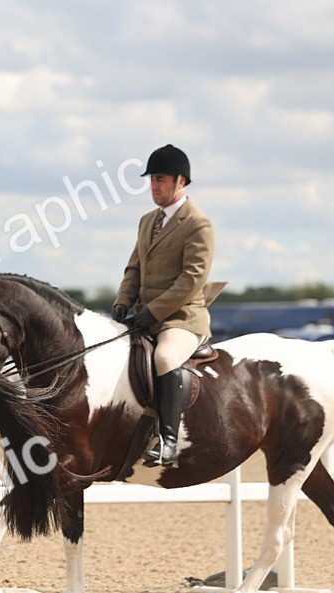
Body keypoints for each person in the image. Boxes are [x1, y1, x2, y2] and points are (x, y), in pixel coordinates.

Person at [112, 144, 215, 468]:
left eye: (160, 179)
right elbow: (134, 269)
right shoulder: (146, 221)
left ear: (180, 181)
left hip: (181, 319)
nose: (154, 185)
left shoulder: (198, 224)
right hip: (144, 315)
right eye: (152, 179)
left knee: (165, 356)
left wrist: (153, 312)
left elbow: (192, 279)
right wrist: (122, 302)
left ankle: (168, 440)